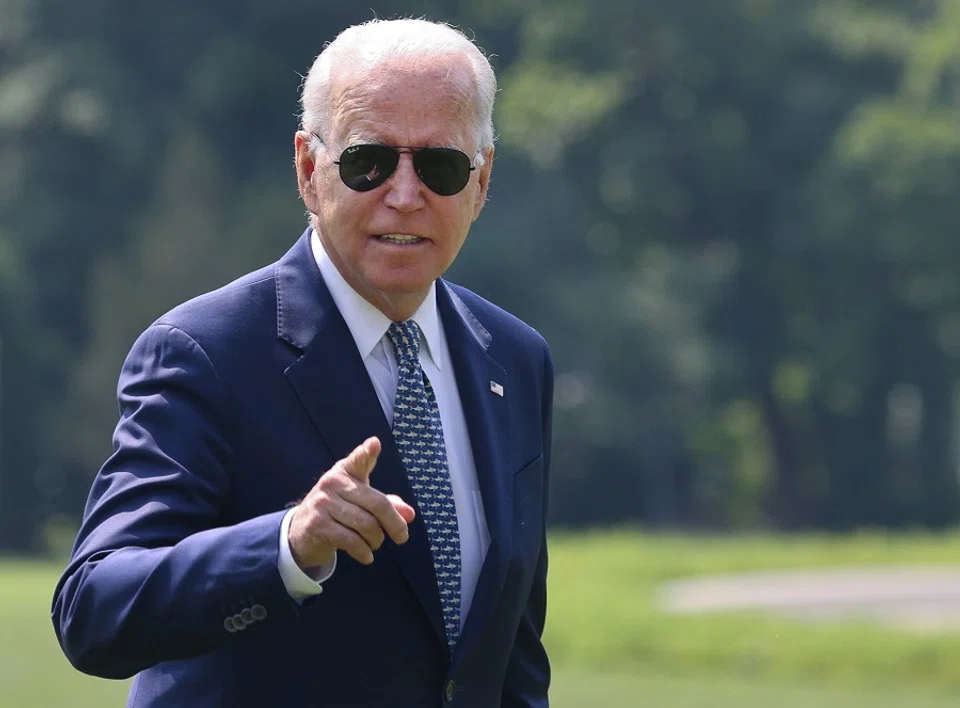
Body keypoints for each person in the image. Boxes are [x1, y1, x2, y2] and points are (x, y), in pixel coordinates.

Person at [51, 17, 553, 708]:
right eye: (368, 161)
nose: (405, 194)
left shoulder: (516, 359)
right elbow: (94, 610)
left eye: (439, 166)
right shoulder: (206, 352)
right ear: (310, 169)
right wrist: (286, 547)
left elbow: (512, 657)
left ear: (481, 180)